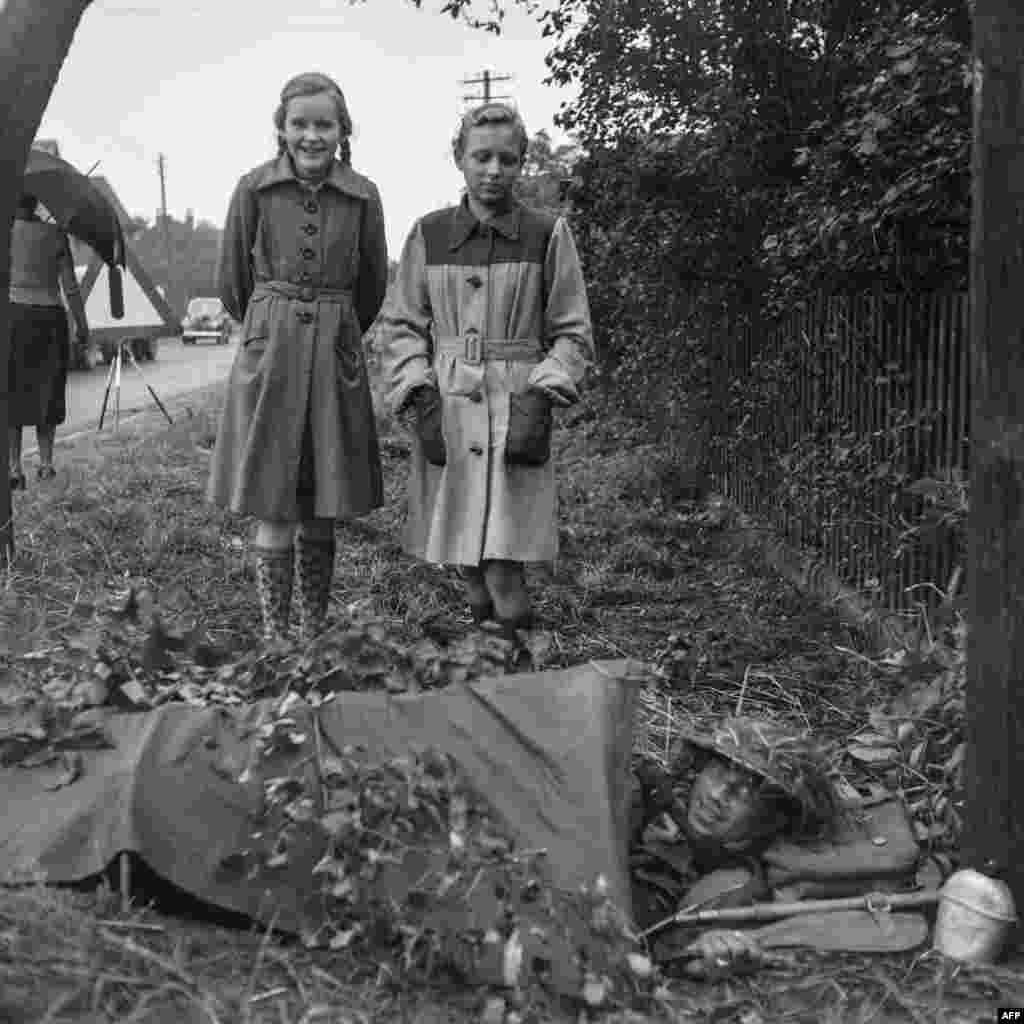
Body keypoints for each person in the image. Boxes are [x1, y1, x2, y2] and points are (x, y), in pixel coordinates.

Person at [378, 102, 594, 654]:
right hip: (449, 408)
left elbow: (572, 331)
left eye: (506, 158)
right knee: (464, 560)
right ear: (459, 159)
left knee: (502, 562)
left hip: (514, 407)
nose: (493, 170)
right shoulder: (429, 235)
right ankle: (484, 658)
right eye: (481, 157)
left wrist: (543, 395)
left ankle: (516, 662)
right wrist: (418, 392)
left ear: (522, 162)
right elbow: (401, 324)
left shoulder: (548, 234)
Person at [207, 72, 388, 644]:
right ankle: (275, 637)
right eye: (300, 124)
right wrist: (270, 325)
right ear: (281, 129)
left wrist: (335, 328)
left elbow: (372, 285)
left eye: (324, 124)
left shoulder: (362, 195)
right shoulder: (253, 189)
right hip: (272, 352)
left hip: (334, 350)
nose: (312, 136)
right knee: (272, 496)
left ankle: (311, 632)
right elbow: (232, 280)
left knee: (320, 498)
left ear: (343, 130)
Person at [629, 716, 920, 973]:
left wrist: (701, 955)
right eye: (717, 773)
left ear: (772, 818)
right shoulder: (657, 800)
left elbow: (660, 954)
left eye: (743, 793)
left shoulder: (734, 885)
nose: (718, 794)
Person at [7, 192, 89, 489]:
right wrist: (82, 326)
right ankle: (45, 464)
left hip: (14, 317)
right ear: (36, 203)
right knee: (47, 390)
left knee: (12, 392)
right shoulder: (56, 235)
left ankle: (14, 470)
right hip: (50, 319)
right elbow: (70, 287)